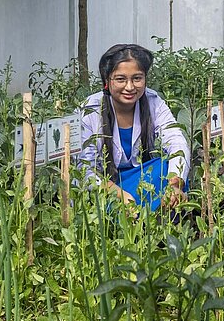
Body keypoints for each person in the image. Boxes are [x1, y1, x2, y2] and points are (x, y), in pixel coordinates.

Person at [78, 43, 190, 212]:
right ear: (106, 81)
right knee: (102, 202)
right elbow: (84, 168)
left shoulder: (153, 102)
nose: (130, 87)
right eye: (121, 79)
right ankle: (145, 221)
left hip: (139, 179)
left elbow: (177, 143)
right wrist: (117, 193)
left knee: (169, 167)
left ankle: (149, 219)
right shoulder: (90, 109)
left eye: (137, 78)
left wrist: (175, 184)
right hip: (107, 185)